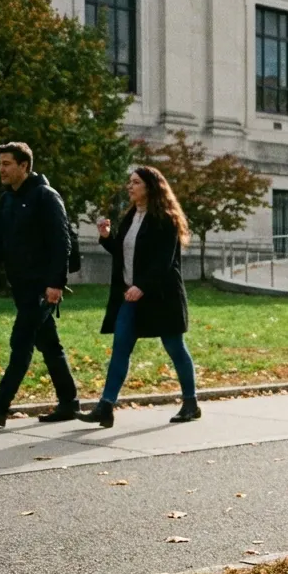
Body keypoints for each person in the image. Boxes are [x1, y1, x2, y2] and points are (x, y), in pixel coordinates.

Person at [0, 143, 81, 428]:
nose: (1, 169)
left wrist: (56, 284)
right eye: (0, 163)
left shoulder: (46, 196)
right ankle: (69, 403)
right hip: (22, 286)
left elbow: (61, 243)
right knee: (49, 345)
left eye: (6, 163)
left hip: (42, 288)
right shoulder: (8, 200)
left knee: (21, 342)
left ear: (24, 166)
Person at [78, 167, 200, 427]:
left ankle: (191, 403)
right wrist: (107, 238)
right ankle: (105, 407)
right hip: (131, 296)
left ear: (150, 187)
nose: (129, 187)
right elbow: (125, 254)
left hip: (161, 296)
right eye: (129, 182)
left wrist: (142, 286)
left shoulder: (165, 218)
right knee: (120, 347)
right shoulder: (132, 216)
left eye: (135, 182)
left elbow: (163, 261)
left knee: (175, 347)